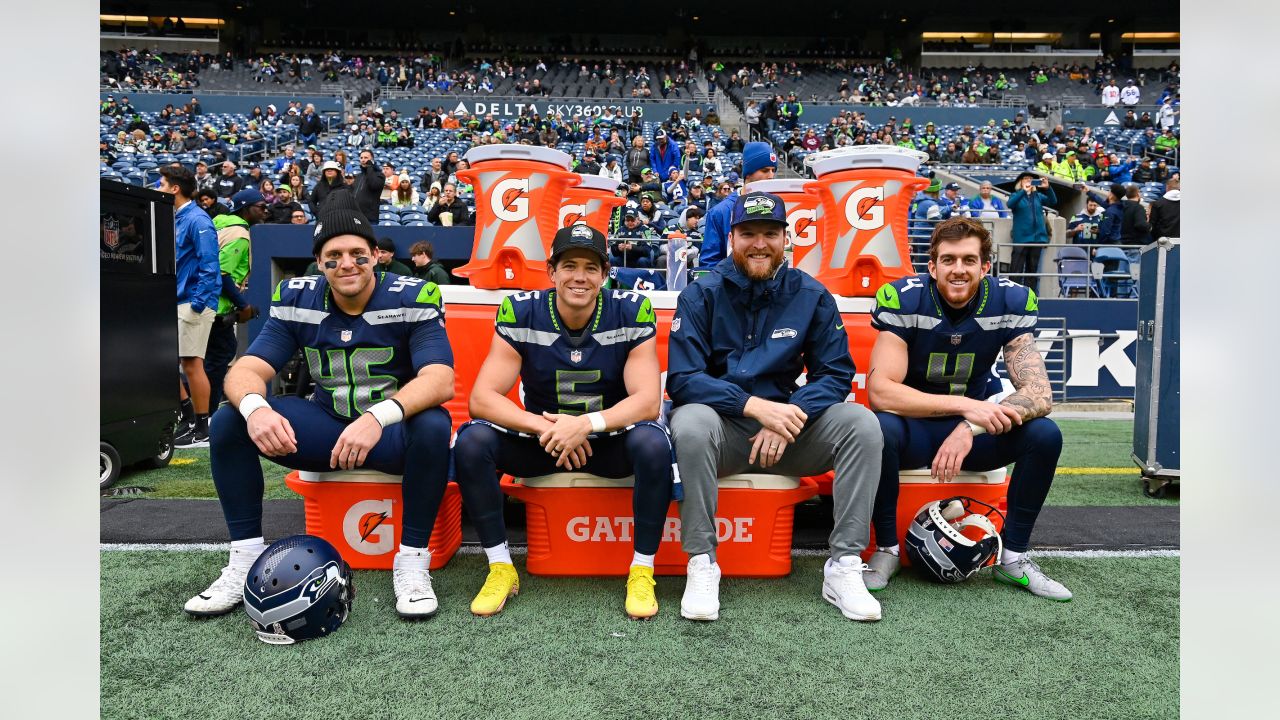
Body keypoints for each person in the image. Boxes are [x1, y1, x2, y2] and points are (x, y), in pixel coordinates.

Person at [184, 191, 456, 620]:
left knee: (435, 426)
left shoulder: (413, 296)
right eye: (334, 255)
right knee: (229, 419)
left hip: (388, 434)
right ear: (320, 261)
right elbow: (245, 369)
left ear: (375, 256)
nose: (346, 263)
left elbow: (440, 380)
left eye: (357, 253)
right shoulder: (297, 298)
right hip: (327, 428)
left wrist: (377, 417)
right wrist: (256, 408)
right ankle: (243, 561)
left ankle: (412, 562)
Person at [667, 191, 884, 623]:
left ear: (786, 238)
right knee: (689, 421)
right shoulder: (701, 293)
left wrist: (786, 417)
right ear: (732, 237)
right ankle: (702, 561)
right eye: (748, 233)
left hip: (788, 434)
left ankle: (843, 565)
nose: (759, 243)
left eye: (770, 233)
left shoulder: (811, 294)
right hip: (723, 432)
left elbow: (836, 374)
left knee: (861, 424)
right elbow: (684, 380)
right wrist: (752, 407)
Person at [454, 224, 673, 619]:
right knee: (472, 441)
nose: (579, 276)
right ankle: (500, 566)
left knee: (653, 443)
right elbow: (481, 399)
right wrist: (545, 427)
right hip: (544, 439)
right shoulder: (522, 310)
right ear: (551, 272)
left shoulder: (630, 309)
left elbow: (646, 402)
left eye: (590, 267)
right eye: (569, 265)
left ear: (605, 275)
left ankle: (642, 570)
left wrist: (586, 424)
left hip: (606, 439)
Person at [864, 217, 1070, 601]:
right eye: (948, 260)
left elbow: (1040, 392)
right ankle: (887, 550)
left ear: (985, 266)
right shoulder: (905, 298)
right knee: (878, 429)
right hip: (915, 427)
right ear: (932, 266)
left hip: (971, 436)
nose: (958, 269)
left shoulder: (1009, 301)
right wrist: (967, 407)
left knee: (1044, 435)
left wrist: (968, 426)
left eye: (969, 260)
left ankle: (1014, 558)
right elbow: (881, 392)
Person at [162, 165, 221, 447]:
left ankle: (202, 426)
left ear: (175, 188)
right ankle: (188, 419)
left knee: (192, 364)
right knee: (168, 363)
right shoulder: (178, 218)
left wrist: (198, 302)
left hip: (193, 301)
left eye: (162, 184)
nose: (159, 188)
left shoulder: (198, 219)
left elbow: (210, 264)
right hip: (179, 299)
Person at [203, 188, 267, 416]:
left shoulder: (219, 224)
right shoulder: (239, 232)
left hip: (201, 302)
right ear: (245, 208)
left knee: (207, 361)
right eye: (260, 206)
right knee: (217, 360)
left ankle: (201, 414)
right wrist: (243, 305)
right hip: (215, 307)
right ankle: (204, 417)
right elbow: (221, 274)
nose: (265, 211)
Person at [700, 142, 777, 267]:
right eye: (765, 170)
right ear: (748, 173)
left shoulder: (779, 206)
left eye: (773, 170)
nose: (771, 176)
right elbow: (709, 264)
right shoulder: (721, 212)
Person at [1007, 171, 1057, 294]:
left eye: (1031, 179)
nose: (1029, 181)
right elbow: (1010, 204)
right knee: (1016, 270)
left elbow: (1053, 201)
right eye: (1026, 179)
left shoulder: (1038, 196)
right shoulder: (1016, 195)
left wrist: (1048, 188)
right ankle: (1014, 295)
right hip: (1021, 239)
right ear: (1020, 182)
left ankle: (1030, 297)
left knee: (1032, 271)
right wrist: (1023, 191)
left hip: (1037, 239)